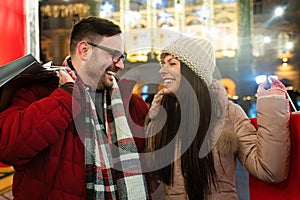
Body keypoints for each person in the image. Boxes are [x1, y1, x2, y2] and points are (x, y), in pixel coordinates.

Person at [0, 17, 149, 199]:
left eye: (121, 57)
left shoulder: (133, 104)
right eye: (114, 55)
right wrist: (66, 96)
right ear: (84, 50)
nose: (120, 65)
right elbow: (7, 148)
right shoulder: (39, 92)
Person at [144, 37, 291, 200]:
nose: (162, 70)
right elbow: (150, 180)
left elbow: (269, 170)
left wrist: (272, 105)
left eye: (172, 64)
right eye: (163, 64)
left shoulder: (229, 113)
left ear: (193, 71)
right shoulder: (161, 116)